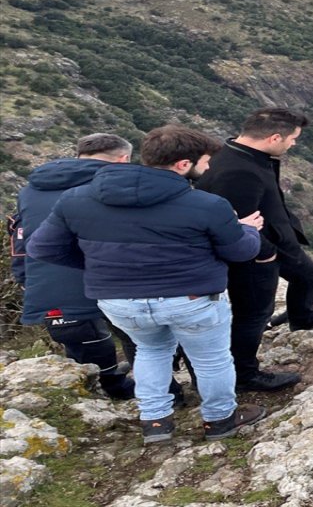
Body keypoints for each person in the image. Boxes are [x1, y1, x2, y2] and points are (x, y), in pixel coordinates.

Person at [26, 125, 268, 445]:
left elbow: (41, 248)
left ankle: (155, 423)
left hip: (120, 301)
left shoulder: (76, 199)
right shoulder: (207, 205)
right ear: (183, 164)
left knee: (150, 351)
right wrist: (247, 230)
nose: (209, 168)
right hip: (191, 298)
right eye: (205, 161)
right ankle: (220, 420)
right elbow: (240, 252)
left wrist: (102, 267)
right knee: (211, 359)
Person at [195, 107, 313, 393]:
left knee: (311, 275)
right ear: (275, 137)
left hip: (278, 238)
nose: (294, 144)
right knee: (254, 313)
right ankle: (245, 375)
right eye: (293, 138)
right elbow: (236, 225)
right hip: (256, 253)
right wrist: (266, 254)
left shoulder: (242, 154)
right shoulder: (239, 171)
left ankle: (304, 317)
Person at [7, 134, 137, 400]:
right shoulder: (118, 184)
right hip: (110, 271)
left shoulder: (31, 190)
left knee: (79, 336)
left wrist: (23, 275)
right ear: (124, 159)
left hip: (49, 272)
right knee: (137, 334)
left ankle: (100, 384)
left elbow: (21, 235)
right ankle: (149, 388)